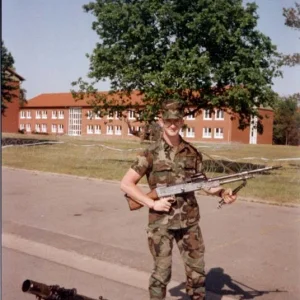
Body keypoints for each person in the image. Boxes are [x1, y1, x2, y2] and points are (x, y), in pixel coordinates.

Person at [120, 102, 237, 300]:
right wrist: (152, 203)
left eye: (176, 121)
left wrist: (222, 192)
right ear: (161, 121)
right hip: (161, 223)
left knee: (197, 273)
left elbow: (203, 183)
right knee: (161, 273)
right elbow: (126, 183)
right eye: (168, 121)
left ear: (182, 122)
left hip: (189, 222)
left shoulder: (192, 152)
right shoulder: (150, 153)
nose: (172, 125)